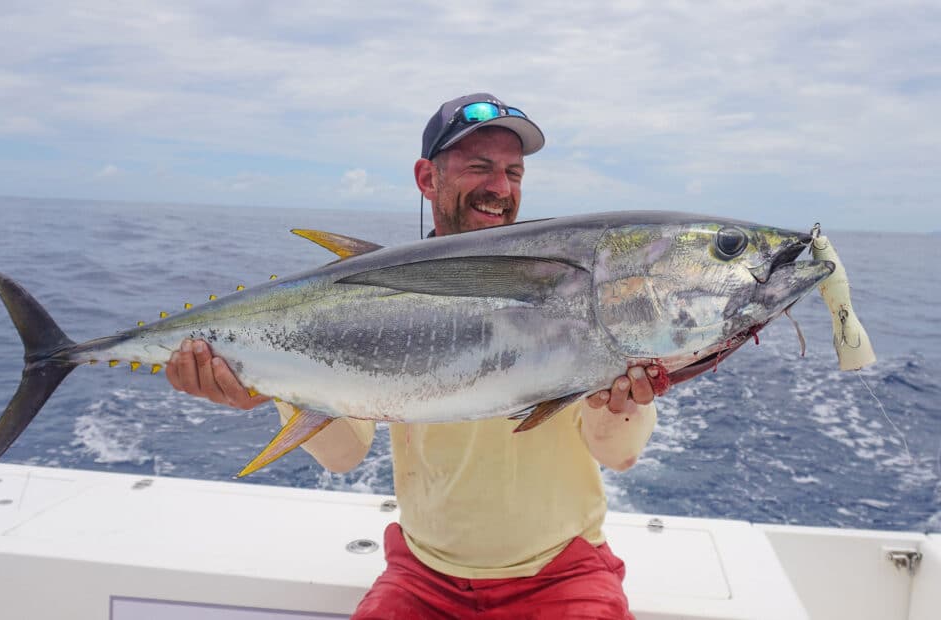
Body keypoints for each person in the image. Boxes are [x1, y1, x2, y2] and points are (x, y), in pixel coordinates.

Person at [166, 93, 660, 619]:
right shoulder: (375, 301)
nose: (500, 188)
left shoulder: (570, 286)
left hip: (563, 572)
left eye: (513, 173)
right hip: (424, 576)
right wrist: (265, 385)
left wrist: (618, 399)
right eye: (479, 167)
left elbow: (619, 454)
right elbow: (342, 456)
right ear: (427, 179)